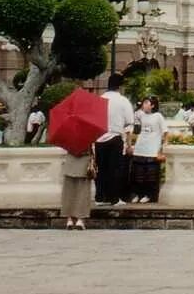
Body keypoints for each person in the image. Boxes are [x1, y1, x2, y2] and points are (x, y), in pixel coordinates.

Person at [94, 73, 135, 205]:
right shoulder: (123, 101)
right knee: (115, 169)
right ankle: (114, 198)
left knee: (101, 168)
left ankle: (100, 197)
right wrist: (129, 144)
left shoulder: (100, 99)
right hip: (115, 138)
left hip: (99, 138)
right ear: (120, 86)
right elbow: (129, 124)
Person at [128, 96, 167, 203]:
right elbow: (135, 128)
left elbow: (165, 132)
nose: (144, 105)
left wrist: (163, 148)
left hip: (152, 149)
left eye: (146, 103)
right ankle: (137, 194)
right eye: (143, 103)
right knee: (138, 173)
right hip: (140, 148)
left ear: (153, 105)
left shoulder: (158, 116)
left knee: (150, 174)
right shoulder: (141, 115)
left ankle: (149, 195)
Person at [60, 148, 95, 230]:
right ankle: (80, 219)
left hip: (70, 162)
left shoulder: (68, 137)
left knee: (68, 192)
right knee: (83, 192)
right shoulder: (87, 137)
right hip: (84, 162)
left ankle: (69, 219)